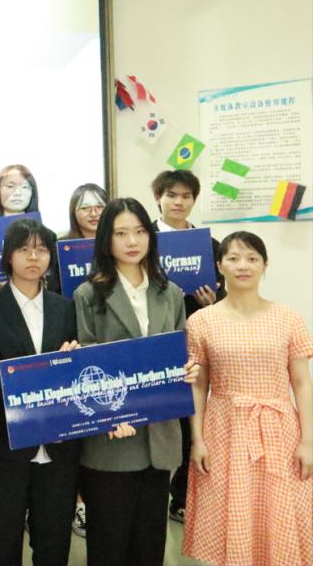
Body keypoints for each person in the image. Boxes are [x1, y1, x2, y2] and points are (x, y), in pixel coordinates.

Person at [72, 197, 198, 566]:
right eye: (121, 233)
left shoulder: (169, 292)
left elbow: (178, 351)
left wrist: (187, 371)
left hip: (159, 439)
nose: (132, 241)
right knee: (109, 547)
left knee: (149, 546)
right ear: (106, 240)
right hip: (111, 441)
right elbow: (86, 370)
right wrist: (110, 415)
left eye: (140, 231)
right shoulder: (88, 294)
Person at [182, 232, 312, 566]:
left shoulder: (288, 317)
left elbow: (302, 383)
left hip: (279, 431)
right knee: (233, 513)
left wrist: (308, 441)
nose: (243, 265)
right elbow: (198, 386)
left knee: (277, 511)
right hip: (224, 430)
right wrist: (197, 439)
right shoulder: (201, 321)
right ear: (219, 265)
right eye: (234, 258)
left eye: (253, 258)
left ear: (265, 266)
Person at [0, 219, 81, 566]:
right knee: (2, 546)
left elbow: (77, 374)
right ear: (8, 256)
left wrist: (72, 362)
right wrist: (47, 373)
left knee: (54, 546)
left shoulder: (66, 307)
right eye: (24, 249)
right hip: (5, 449)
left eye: (41, 249)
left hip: (59, 450)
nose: (33, 257)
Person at [150, 169, 223, 523]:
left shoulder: (209, 244)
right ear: (158, 198)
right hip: (158, 341)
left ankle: (181, 496)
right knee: (156, 417)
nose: (178, 202)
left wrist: (212, 302)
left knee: (191, 418)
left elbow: (223, 297)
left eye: (186, 196)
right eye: (171, 195)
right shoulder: (143, 239)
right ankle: (151, 495)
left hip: (197, 339)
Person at [60, 182, 109, 538]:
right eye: (84, 206)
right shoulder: (60, 247)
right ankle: (78, 504)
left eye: (98, 205)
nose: (92, 213)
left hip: (105, 340)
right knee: (78, 430)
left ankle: (97, 502)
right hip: (69, 341)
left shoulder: (116, 247)